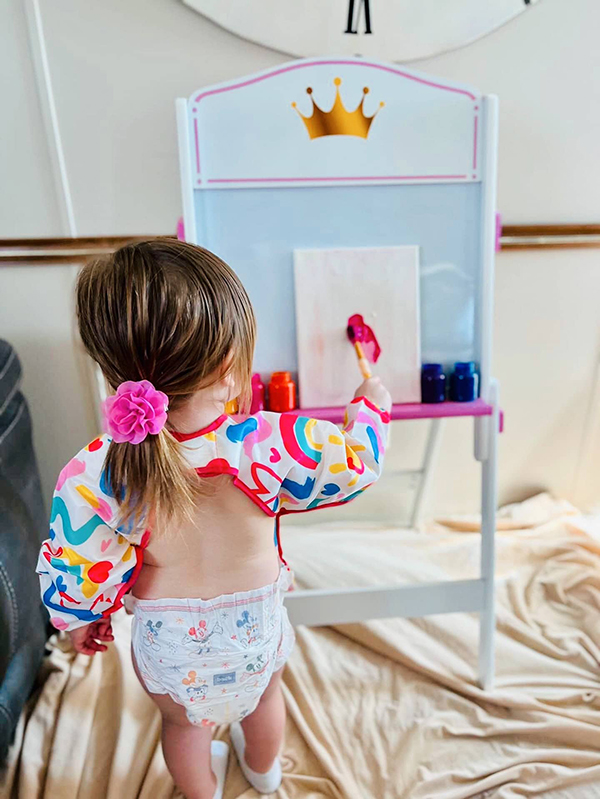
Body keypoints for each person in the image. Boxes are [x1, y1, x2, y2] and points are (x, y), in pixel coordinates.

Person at [37, 239, 391, 799]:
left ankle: (203, 793)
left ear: (113, 375)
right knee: (265, 700)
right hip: (256, 633)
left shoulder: (95, 472)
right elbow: (357, 464)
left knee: (182, 726)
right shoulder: (272, 443)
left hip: (169, 646)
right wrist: (371, 406)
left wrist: (85, 617)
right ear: (230, 372)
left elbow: (79, 562)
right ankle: (265, 775)